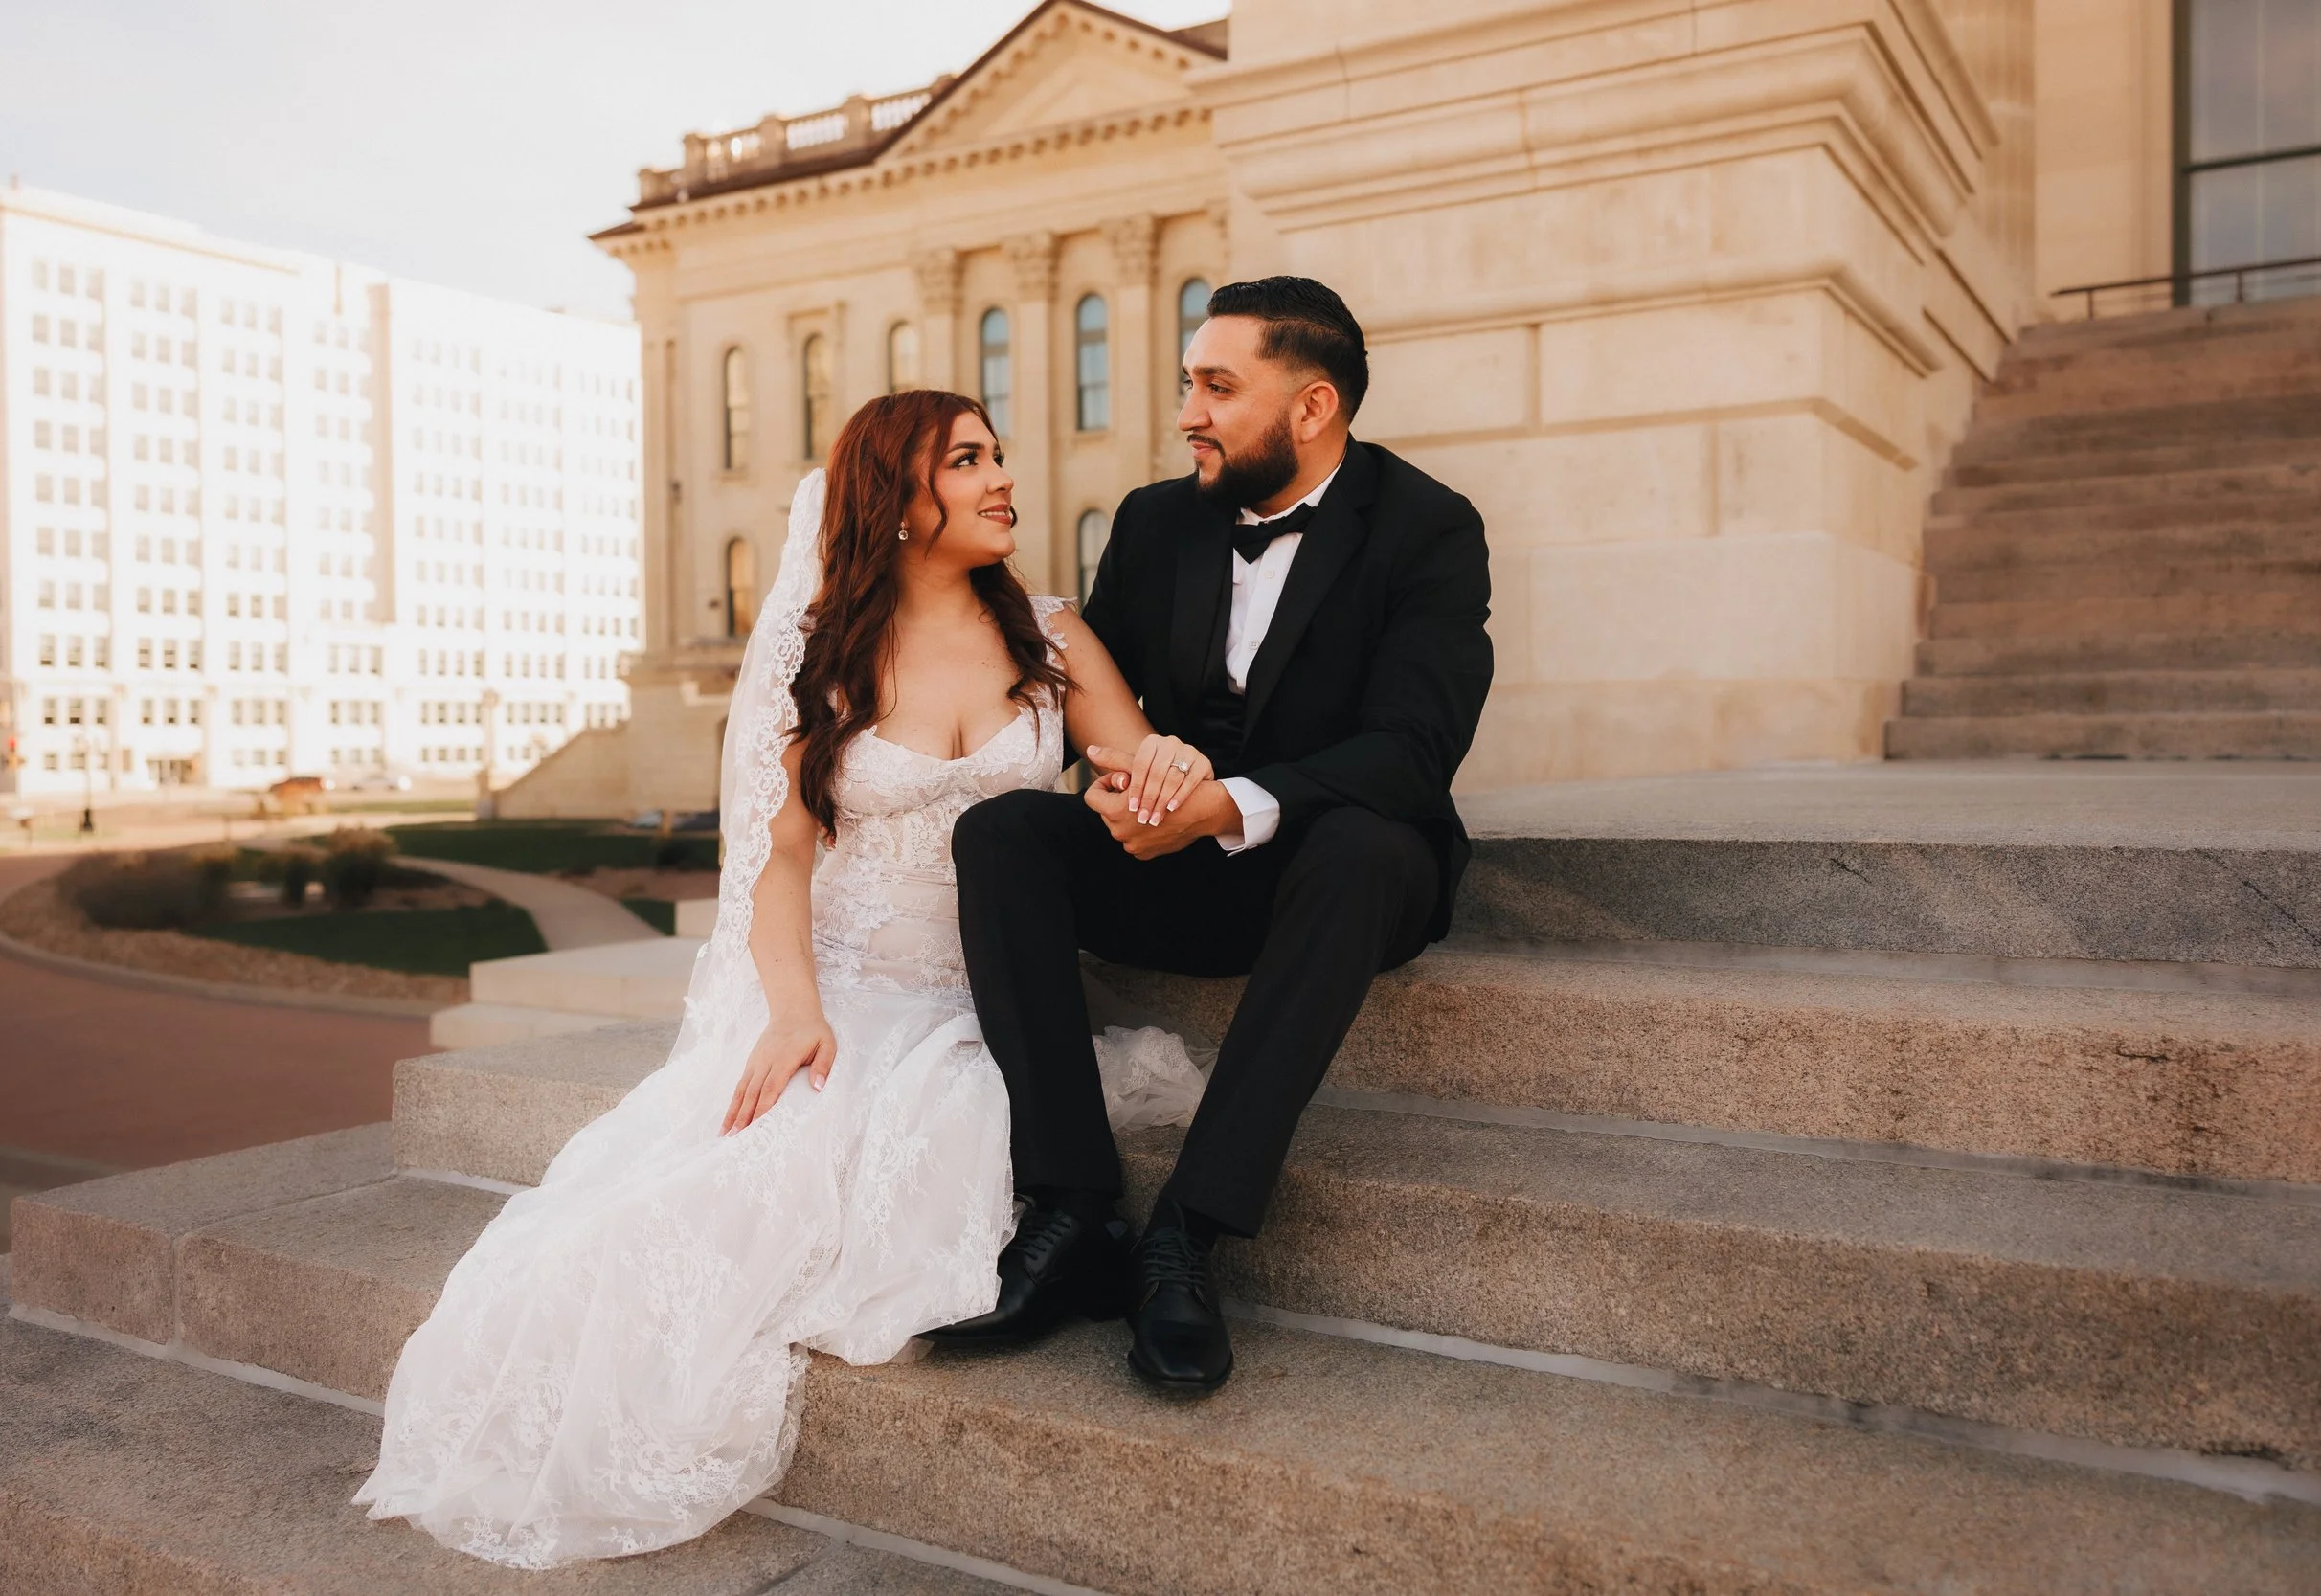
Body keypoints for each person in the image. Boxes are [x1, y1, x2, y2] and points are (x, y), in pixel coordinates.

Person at [354, 391, 1214, 1569]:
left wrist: (1158, 769)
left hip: (999, 984)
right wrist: (797, 1009)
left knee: (918, 1142)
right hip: (856, 976)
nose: (1002, 477)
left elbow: (1132, 767)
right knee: (708, 1196)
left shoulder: (1053, 634)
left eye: (997, 454)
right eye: (968, 461)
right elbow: (779, 856)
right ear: (897, 502)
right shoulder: (827, 655)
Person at [935, 277, 1494, 1392]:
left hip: (1330, 877)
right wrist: (1111, 787)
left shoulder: (1430, 527)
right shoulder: (1155, 520)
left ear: (1312, 406)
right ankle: (1072, 1205)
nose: (1186, 410)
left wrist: (1233, 804)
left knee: (1372, 843)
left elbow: (1412, 748)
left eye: (1216, 386)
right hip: (1175, 863)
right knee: (1003, 833)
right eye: (1188, 382)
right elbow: (1097, 704)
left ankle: (1186, 1233)